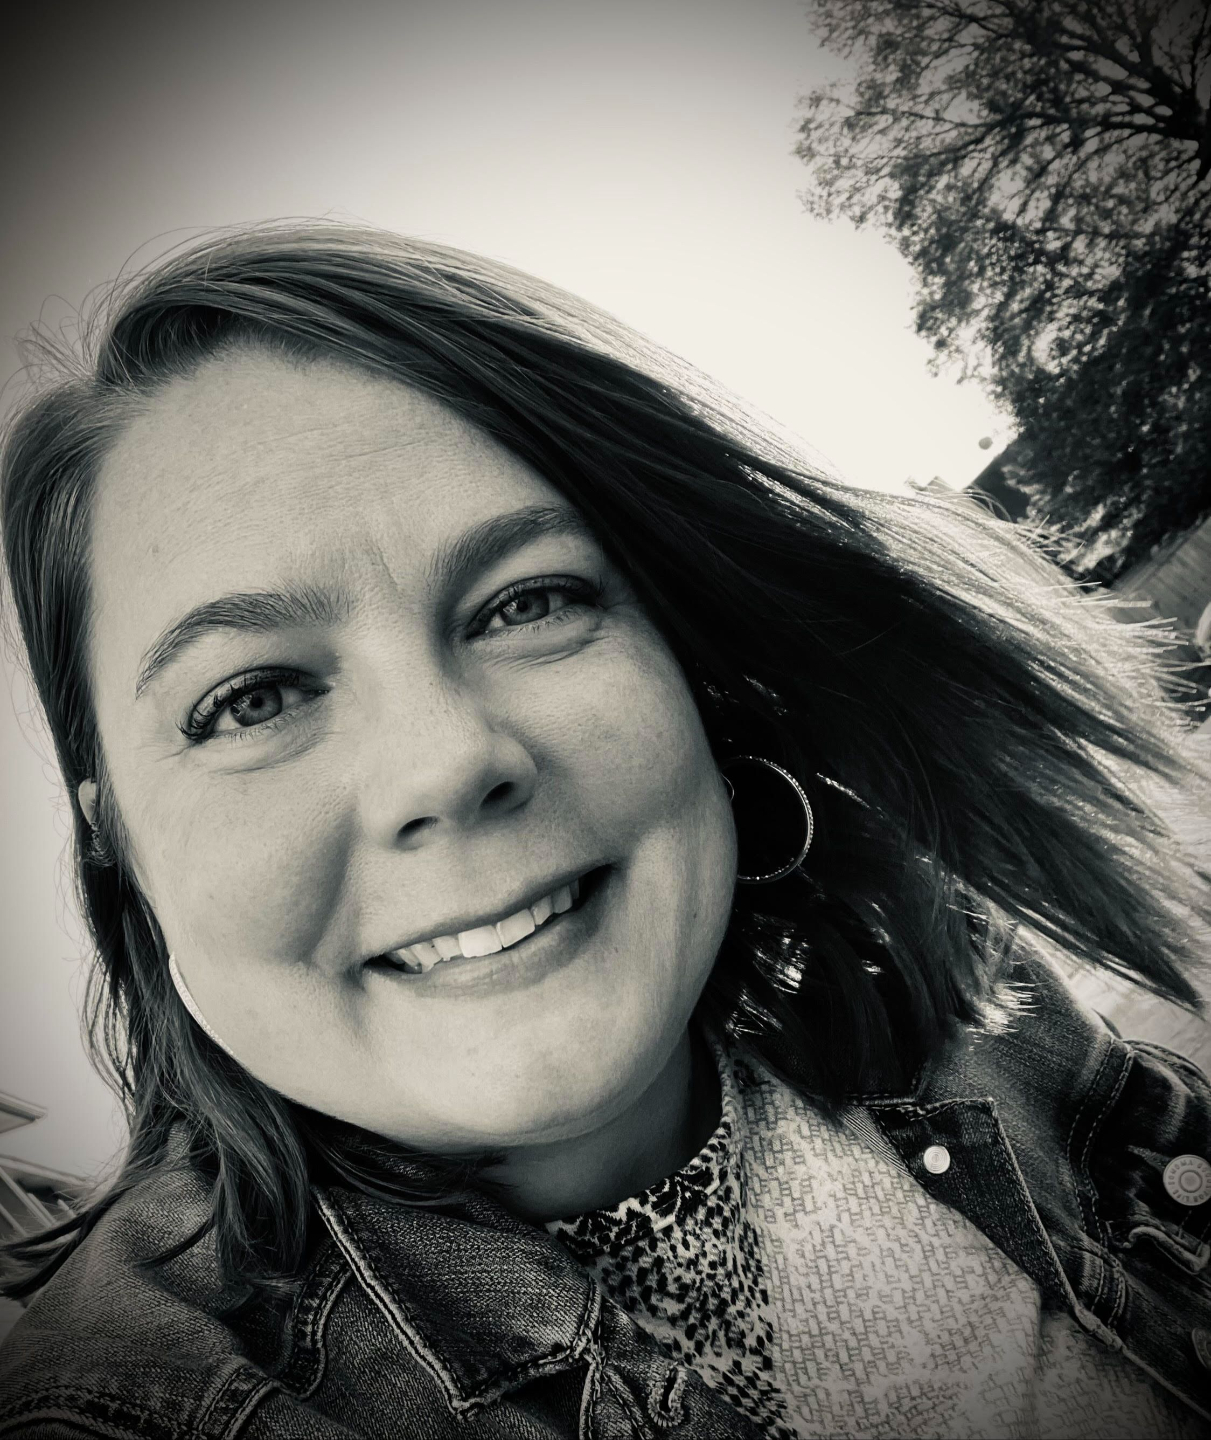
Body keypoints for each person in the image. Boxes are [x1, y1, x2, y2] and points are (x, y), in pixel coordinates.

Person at [0, 221, 1209, 1440]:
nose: (446, 760)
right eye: (252, 698)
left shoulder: (964, 1000)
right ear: (121, 845)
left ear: (684, 661)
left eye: (527, 601)